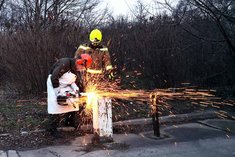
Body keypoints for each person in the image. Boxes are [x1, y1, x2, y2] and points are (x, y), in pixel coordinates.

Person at [46, 54, 92, 138]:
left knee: (74, 101)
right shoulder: (64, 63)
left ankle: (69, 122)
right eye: (82, 67)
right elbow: (54, 78)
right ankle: (52, 129)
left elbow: (71, 82)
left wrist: (76, 90)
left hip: (65, 84)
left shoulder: (75, 68)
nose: (81, 70)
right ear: (79, 62)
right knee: (56, 106)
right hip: (54, 84)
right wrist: (58, 94)